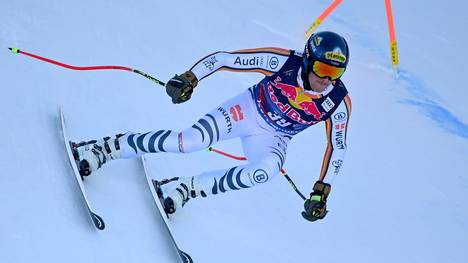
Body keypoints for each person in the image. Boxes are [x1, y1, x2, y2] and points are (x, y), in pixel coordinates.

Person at [75, 31, 352, 222]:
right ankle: (106, 148)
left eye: (336, 73)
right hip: (247, 109)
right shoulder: (283, 62)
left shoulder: (338, 102)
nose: (328, 80)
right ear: (307, 60)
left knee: (265, 172)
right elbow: (224, 59)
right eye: (323, 70)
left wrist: (321, 191)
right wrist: (190, 78)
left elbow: (337, 147)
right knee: (189, 142)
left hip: (275, 138)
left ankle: (185, 188)